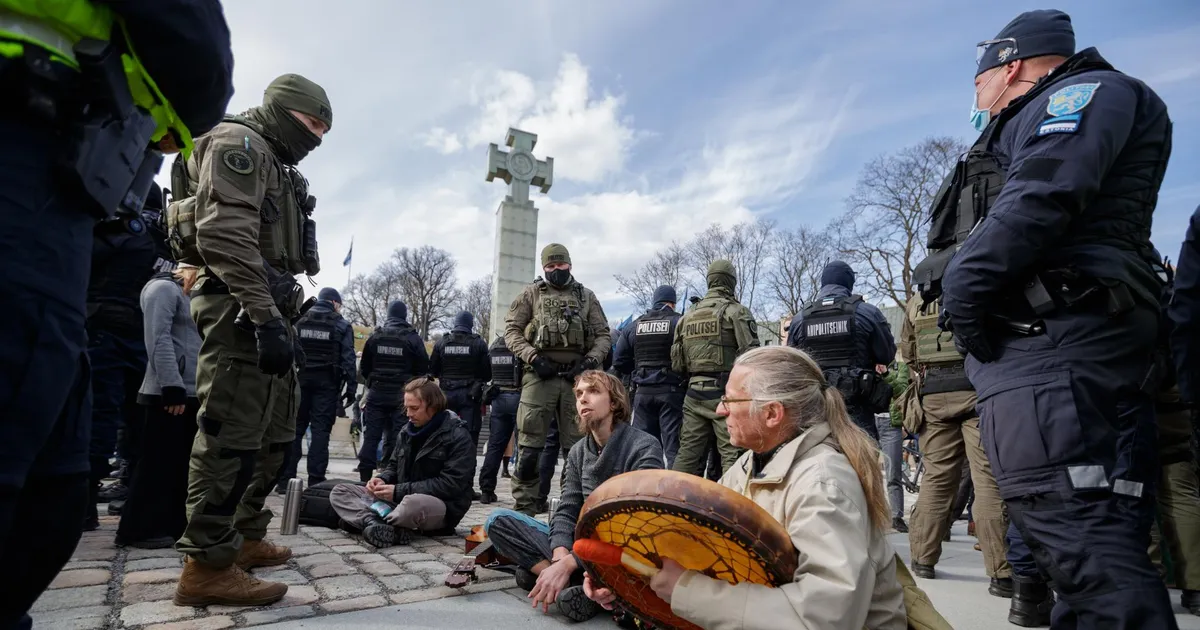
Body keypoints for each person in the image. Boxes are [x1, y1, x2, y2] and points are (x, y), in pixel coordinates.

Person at [940, 9, 1175, 626]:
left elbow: (1041, 198)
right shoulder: (1065, 107)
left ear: (1009, 65)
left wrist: (964, 298)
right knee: (1094, 532)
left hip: (1055, 343)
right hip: (1067, 341)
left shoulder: (1079, 95)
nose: (977, 96)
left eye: (978, 81)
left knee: (1076, 531)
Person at [0, 4, 233, 626]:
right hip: (32, 140)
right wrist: (175, 385)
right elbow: (196, 56)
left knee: (55, 471)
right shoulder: (160, 288)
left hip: (59, 160)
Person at [587, 346, 906, 629]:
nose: (720, 410)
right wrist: (626, 582)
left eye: (730, 399)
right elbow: (705, 549)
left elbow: (825, 618)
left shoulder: (824, 481)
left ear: (771, 413)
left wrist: (687, 592)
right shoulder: (752, 463)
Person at [172, 74, 332, 607]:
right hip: (239, 307)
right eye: (312, 126)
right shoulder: (238, 143)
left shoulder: (276, 162)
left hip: (269, 310)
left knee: (275, 436)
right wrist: (264, 317)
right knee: (232, 436)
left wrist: (280, 319)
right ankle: (206, 565)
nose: (316, 139)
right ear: (284, 111)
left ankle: (243, 537)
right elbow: (223, 235)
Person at [486, 370, 663, 623]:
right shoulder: (579, 451)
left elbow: (639, 525)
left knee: (528, 574)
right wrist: (560, 555)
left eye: (593, 391)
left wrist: (571, 562)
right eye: (579, 393)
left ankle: (563, 579)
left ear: (614, 403)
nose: (583, 399)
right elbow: (568, 508)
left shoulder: (643, 446)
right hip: (579, 547)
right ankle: (578, 586)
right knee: (498, 520)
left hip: (621, 549)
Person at [900, 296, 1012, 595]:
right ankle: (1001, 573)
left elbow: (909, 351)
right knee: (987, 478)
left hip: (934, 393)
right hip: (979, 388)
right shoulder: (979, 281)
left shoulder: (918, 299)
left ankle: (922, 559)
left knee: (936, 478)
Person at [503, 243, 611, 516]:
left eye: (560, 265)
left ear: (570, 265)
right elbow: (512, 331)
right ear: (543, 268)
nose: (555, 270)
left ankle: (572, 509)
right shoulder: (531, 294)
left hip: (577, 381)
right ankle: (524, 509)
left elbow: (603, 336)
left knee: (578, 448)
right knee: (528, 448)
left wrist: (588, 362)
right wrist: (533, 358)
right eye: (550, 266)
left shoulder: (586, 297)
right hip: (539, 378)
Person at [85, 180, 162, 525]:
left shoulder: (119, 228)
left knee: (98, 416)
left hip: (105, 330)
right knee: (140, 420)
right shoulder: (169, 240)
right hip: (146, 338)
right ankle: (132, 495)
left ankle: (83, 502)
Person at [330, 378, 475, 547]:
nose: (408, 414)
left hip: (440, 506)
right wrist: (382, 479)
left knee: (411, 504)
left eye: (414, 408)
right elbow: (393, 466)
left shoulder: (458, 436)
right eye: (406, 408)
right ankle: (375, 523)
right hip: (400, 498)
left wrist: (398, 491)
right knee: (340, 491)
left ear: (433, 406)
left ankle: (368, 520)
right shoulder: (406, 431)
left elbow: (451, 484)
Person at [117, 263, 201, 549]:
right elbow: (157, 338)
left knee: (179, 465)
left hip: (191, 391)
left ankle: (171, 523)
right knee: (156, 464)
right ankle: (138, 528)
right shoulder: (163, 289)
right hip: (167, 392)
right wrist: (171, 386)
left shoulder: (192, 293)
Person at [787, 260, 896, 441]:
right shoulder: (867, 313)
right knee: (861, 460)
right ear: (849, 283)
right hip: (858, 404)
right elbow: (886, 355)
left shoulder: (800, 319)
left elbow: (793, 365)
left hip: (818, 405)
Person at [671, 260, 759, 478]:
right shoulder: (736, 311)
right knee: (733, 453)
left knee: (688, 455)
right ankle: (735, 505)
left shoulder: (687, 316)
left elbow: (677, 363)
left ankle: (672, 501)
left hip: (693, 394)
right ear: (731, 282)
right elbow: (753, 357)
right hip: (726, 394)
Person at [278, 287, 357, 490]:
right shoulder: (341, 324)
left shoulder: (300, 319)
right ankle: (315, 481)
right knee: (321, 432)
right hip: (327, 385)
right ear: (334, 303)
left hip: (299, 382)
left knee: (294, 430)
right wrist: (351, 388)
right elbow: (348, 358)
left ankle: (285, 480)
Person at [612, 285, 687, 467]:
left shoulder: (634, 325)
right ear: (672, 303)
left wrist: (638, 369)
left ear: (654, 301)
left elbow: (619, 361)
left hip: (642, 394)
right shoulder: (679, 322)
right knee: (673, 449)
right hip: (672, 393)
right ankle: (673, 492)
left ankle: (645, 491)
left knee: (644, 449)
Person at [358, 300, 428, 481]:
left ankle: (364, 477)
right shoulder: (412, 338)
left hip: (377, 393)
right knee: (400, 436)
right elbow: (422, 369)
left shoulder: (376, 336)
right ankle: (391, 476)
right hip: (402, 395)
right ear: (404, 315)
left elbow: (364, 368)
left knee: (371, 437)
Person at [429, 310, 489, 455]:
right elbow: (486, 374)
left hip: (446, 394)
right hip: (470, 395)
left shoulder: (442, 342)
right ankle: (467, 472)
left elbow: (432, 370)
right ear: (470, 324)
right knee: (470, 434)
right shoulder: (479, 343)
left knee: (443, 431)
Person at [479, 336, 523, 504]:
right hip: (519, 396)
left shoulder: (495, 347)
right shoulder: (520, 344)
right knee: (525, 447)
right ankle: (522, 493)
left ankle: (486, 490)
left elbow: (485, 372)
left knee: (495, 447)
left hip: (498, 399)